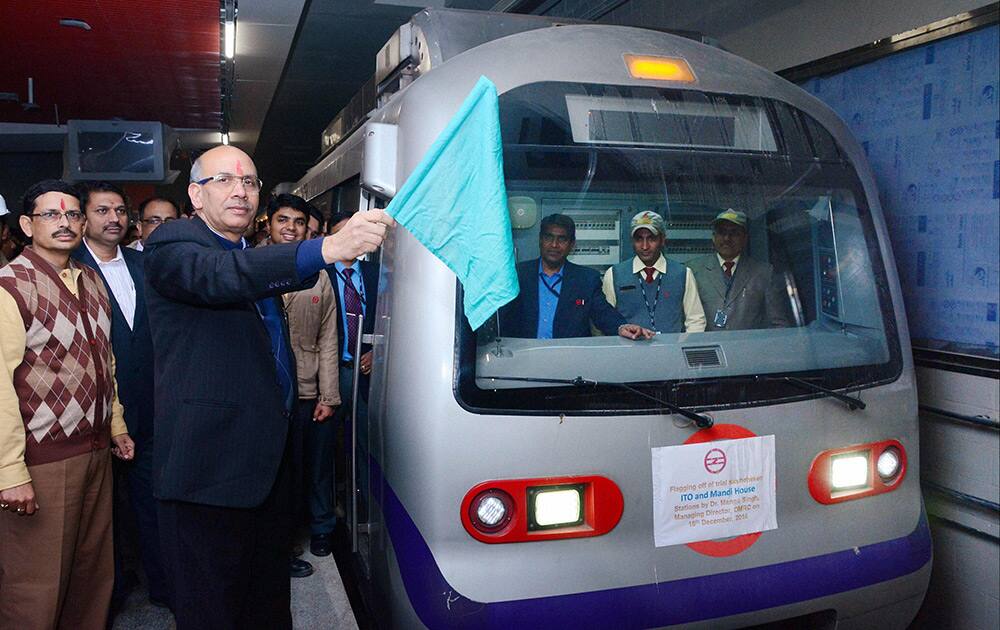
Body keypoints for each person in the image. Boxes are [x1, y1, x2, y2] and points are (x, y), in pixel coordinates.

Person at [143, 145, 391, 629]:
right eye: (225, 181)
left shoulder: (244, 254)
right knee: (214, 609)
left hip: (264, 467)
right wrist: (324, 248)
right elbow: (218, 279)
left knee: (267, 603)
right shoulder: (174, 243)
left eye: (251, 182)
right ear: (195, 194)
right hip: (208, 472)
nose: (241, 190)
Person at [0, 179, 135, 629]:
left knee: (92, 577)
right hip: (42, 461)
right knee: (36, 587)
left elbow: (106, 362)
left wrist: (116, 426)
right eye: (51, 215)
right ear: (25, 224)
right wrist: (9, 472)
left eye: (73, 215)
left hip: (95, 451)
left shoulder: (90, 279)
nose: (65, 223)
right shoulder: (11, 286)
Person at [72, 181, 170, 611]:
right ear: (83, 218)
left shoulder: (143, 264)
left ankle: (164, 586)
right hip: (94, 416)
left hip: (149, 410)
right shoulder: (68, 269)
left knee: (153, 504)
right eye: (102, 210)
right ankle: (107, 597)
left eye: (119, 211)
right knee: (100, 515)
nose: (113, 219)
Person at [261, 194, 341, 577]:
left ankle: (322, 529)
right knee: (280, 474)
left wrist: (329, 394)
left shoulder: (319, 274)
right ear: (268, 224)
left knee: (317, 466)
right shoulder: (250, 267)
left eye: (297, 222)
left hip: (310, 391)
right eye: (282, 220)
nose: (290, 228)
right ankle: (284, 544)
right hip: (268, 393)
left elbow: (329, 338)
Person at [324, 210, 380, 555]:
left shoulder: (376, 275)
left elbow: (391, 318)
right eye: (340, 233)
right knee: (326, 445)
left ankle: (365, 505)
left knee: (364, 442)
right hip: (333, 371)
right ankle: (327, 514)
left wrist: (377, 351)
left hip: (367, 372)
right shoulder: (319, 274)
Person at [501, 213, 653, 340]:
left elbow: (603, 314)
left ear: (572, 244)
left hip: (570, 362)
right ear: (540, 240)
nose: (554, 245)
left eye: (562, 239)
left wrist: (621, 326)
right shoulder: (516, 275)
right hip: (523, 360)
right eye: (549, 237)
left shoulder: (586, 279)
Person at [602, 211, 706, 334]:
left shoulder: (683, 274)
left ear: (662, 240)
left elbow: (696, 320)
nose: (645, 246)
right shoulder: (614, 274)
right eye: (639, 239)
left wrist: (683, 347)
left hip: (671, 350)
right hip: (629, 350)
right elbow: (605, 319)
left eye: (651, 238)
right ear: (632, 241)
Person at [689, 209, 792, 331]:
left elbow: (778, 325)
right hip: (707, 347)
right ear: (713, 237)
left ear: (745, 238)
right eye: (722, 232)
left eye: (734, 233)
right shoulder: (693, 270)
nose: (727, 238)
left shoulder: (764, 273)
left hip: (748, 348)